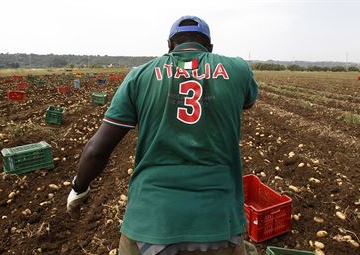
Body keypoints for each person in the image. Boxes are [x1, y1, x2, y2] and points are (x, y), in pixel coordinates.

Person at [67, 15, 259, 255]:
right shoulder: (238, 69)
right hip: (218, 222)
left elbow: (97, 150)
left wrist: (79, 186)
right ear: (209, 47)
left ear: (169, 45)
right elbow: (248, 102)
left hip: (149, 222)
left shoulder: (140, 75)